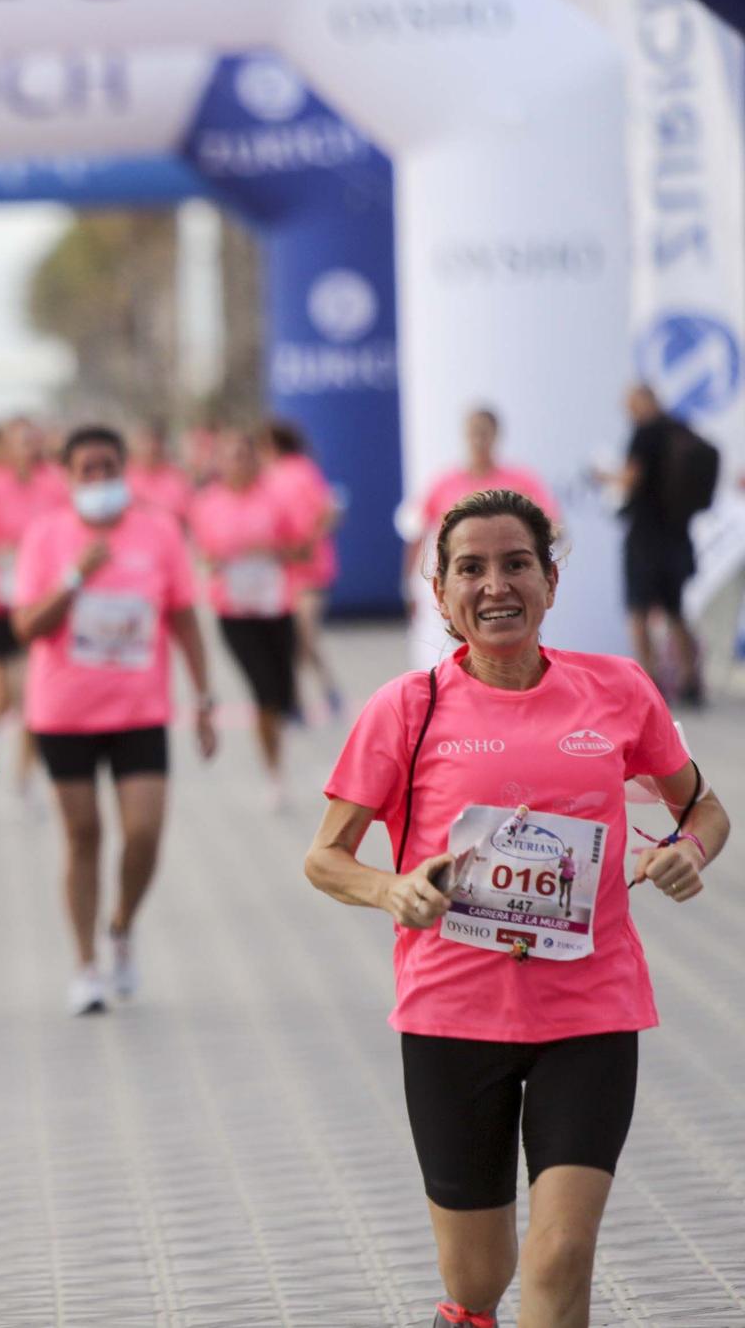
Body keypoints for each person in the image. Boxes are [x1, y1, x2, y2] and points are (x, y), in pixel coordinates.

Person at [305, 487, 728, 1328]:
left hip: (591, 1007)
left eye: (516, 564)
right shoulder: (406, 708)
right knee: (480, 1278)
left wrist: (686, 851)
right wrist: (394, 888)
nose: (495, 584)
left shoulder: (617, 689)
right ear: (440, 593)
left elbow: (703, 809)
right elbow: (325, 858)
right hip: (453, 1015)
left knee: (561, 1255)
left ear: (550, 582)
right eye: (472, 568)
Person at [13, 425, 217, 1014]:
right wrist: (75, 576)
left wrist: (203, 700)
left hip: (138, 710)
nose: (100, 480)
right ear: (69, 477)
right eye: (88, 471)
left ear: (124, 469)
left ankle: (121, 926)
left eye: (109, 467)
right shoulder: (47, 536)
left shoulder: (158, 533)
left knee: (145, 834)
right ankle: (84, 966)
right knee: (82, 836)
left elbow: (183, 619)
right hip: (64, 711)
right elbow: (27, 627)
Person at [190, 429, 309, 808]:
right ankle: (275, 775)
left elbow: (301, 549)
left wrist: (271, 549)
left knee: (281, 691)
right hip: (234, 610)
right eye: (230, 455)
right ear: (219, 463)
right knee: (263, 693)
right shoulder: (207, 503)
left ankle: (280, 748)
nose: (238, 462)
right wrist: (225, 557)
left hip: (276, 604)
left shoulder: (276, 499)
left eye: (244, 454)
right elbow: (204, 557)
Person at [0, 417, 66, 750]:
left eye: (34, 440)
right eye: (22, 441)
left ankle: (26, 777)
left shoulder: (55, 484)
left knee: (32, 697)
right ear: (5, 447)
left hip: (36, 602)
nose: (30, 448)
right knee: (1, 698)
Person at [400, 407, 559, 614]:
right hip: (460, 581)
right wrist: (408, 585)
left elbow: (552, 527)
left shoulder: (522, 480)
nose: (478, 440)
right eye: (473, 433)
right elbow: (416, 534)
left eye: (484, 433)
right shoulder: (444, 483)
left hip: (510, 581)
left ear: (496, 435)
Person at [605, 384, 705, 706]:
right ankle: (691, 679)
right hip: (677, 536)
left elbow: (629, 479)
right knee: (675, 611)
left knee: (638, 611)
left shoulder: (645, 433)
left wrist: (606, 477)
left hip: (645, 537)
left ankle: (650, 681)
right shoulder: (682, 430)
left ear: (641, 401)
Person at [259, 418, 344, 720]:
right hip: (283, 568)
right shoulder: (265, 476)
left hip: (312, 567)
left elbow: (328, 511)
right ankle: (296, 699)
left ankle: (324, 689)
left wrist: (309, 540)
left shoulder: (303, 470)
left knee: (303, 636)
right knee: (293, 638)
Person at [124, 418, 193, 525]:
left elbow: (187, 519)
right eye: (144, 440)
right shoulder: (122, 477)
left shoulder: (177, 479)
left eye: (155, 441)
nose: (150, 447)